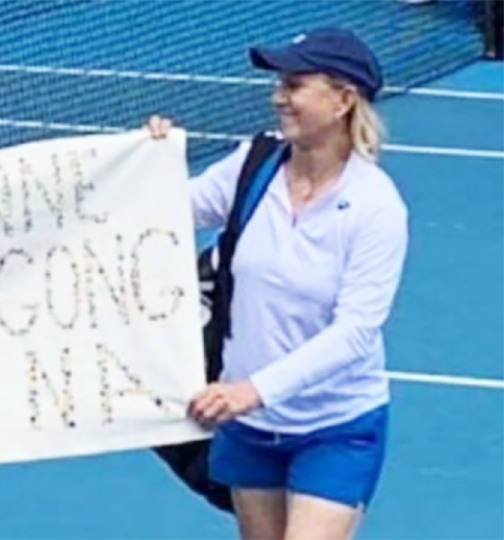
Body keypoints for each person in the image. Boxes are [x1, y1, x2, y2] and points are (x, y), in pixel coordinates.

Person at [148, 28, 408, 540]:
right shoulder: (256, 163)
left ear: (343, 100)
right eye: (279, 83)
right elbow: (166, 212)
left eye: (295, 84)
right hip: (249, 428)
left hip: (335, 427)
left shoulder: (377, 207)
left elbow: (354, 332)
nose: (278, 96)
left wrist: (254, 391)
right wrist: (149, 160)